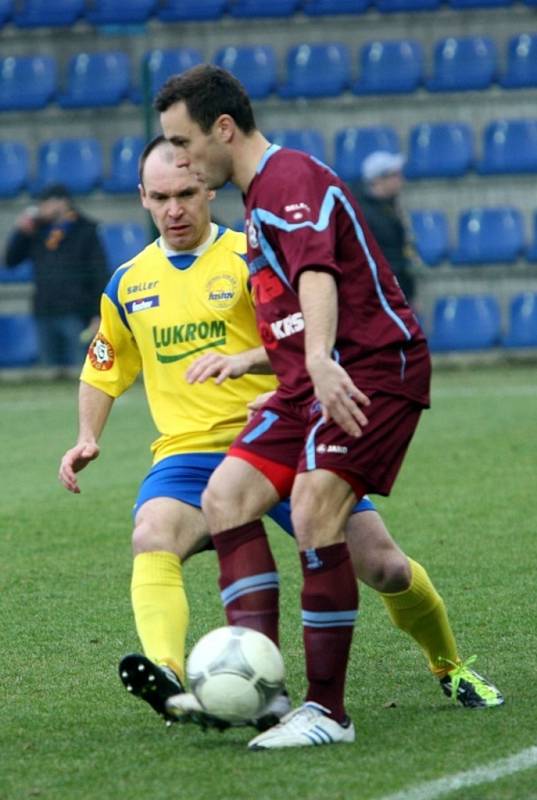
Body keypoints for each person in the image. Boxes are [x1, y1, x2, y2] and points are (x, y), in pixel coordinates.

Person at [58, 137, 500, 736]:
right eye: (160, 198)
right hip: (189, 453)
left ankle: (450, 666)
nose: (174, 210)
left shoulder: (252, 257)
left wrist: (269, 371)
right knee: (151, 535)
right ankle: (167, 675)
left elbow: (308, 336)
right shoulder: (128, 283)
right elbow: (103, 366)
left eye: (186, 194)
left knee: (386, 568)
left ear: (208, 190)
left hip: (284, 434)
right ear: (142, 198)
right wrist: (88, 436)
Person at [155, 66, 503, 750]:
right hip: (306, 380)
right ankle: (256, 685)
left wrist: (317, 359)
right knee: (225, 497)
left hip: (372, 368)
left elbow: (318, 275)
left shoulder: (288, 180)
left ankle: (327, 712)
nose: (180, 159)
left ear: (223, 129)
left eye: (183, 141)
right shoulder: (256, 203)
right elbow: (295, 308)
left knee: (315, 508)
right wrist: (257, 359)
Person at [4, 183, 109, 369]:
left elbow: (99, 274)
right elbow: (11, 260)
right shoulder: (37, 231)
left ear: (63, 203)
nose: (42, 208)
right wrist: (21, 232)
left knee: (80, 369)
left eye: (46, 203)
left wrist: (98, 313)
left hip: (76, 312)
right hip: (45, 310)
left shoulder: (85, 230)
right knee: (48, 372)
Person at [350, 150, 417, 305]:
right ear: (378, 180)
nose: (400, 179)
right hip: (379, 292)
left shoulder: (389, 206)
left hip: (394, 287)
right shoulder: (364, 214)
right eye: (395, 175)